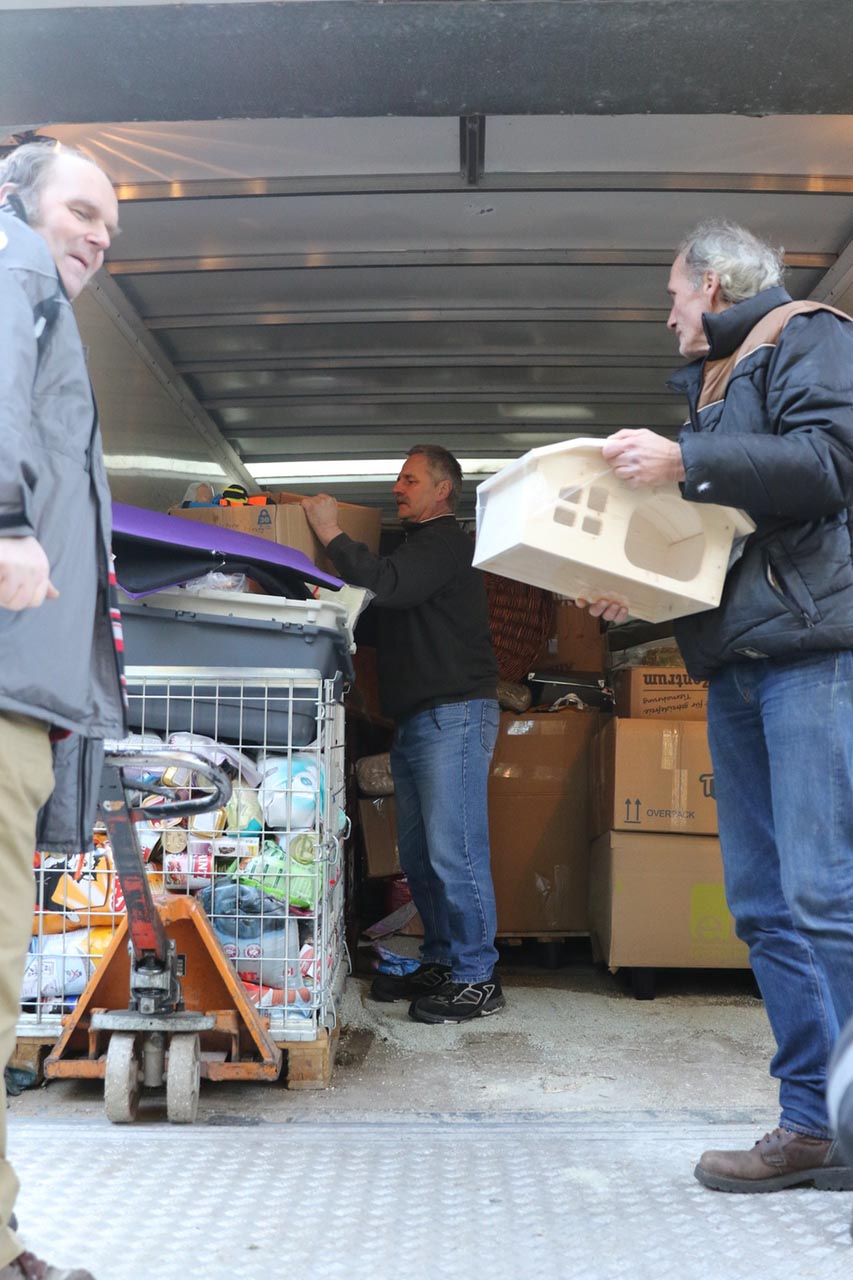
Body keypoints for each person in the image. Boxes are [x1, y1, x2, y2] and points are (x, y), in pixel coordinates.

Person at [580, 219, 853, 1194]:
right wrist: (636, 589)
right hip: (737, 661)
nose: (667, 317)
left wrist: (683, 461)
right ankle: (812, 1125)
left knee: (824, 894)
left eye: (672, 296)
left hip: (811, 653)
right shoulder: (713, 384)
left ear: (713, 282)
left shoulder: (804, 333)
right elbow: (721, 544)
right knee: (762, 905)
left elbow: (830, 464)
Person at [0, 143, 125, 1278]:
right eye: (81, 210)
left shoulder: (37, 288)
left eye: (109, 228)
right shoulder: (10, 266)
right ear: (16, 198)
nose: (96, 236)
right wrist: (5, 518)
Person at [303, 446, 503, 1023]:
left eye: (410, 480)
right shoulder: (417, 551)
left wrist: (330, 532)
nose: (397, 488)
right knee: (419, 855)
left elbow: (386, 585)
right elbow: (382, 608)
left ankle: (477, 977)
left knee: (454, 850)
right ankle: (444, 959)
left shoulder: (444, 544)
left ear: (443, 490)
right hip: (419, 720)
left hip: (454, 715)